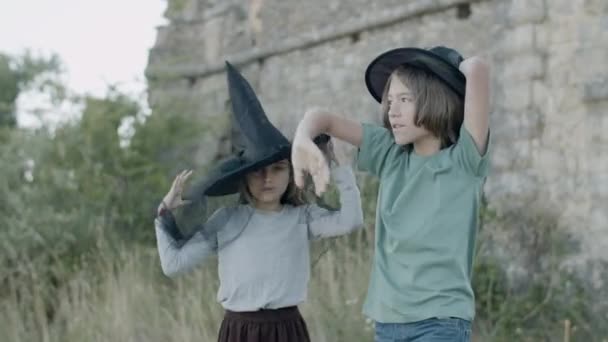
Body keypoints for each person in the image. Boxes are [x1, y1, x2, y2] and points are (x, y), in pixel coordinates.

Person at [291, 46, 491, 341]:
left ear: (436, 98)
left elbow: (477, 69)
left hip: (440, 323)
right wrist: (302, 137)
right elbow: (322, 118)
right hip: (387, 323)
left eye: (405, 100)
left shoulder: (463, 161)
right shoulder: (390, 154)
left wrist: (447, 69)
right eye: (390, 100)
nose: (391, 111)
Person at [154, 62, 364, 342]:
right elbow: (174, 264)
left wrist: (338, 167)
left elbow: (351, 221)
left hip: (287, 329)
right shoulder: (227, 220)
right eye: (257, 171)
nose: (267, 179)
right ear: (243, 178)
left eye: (277, 169)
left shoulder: (301, 218)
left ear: (291, 173)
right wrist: (164, 213)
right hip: (239, 331)